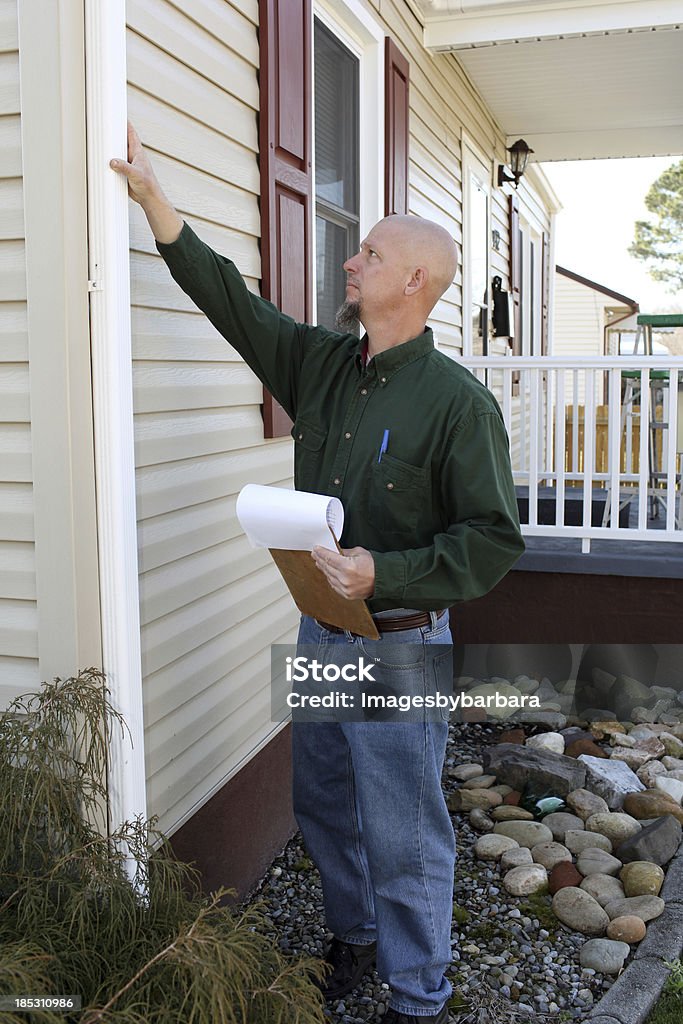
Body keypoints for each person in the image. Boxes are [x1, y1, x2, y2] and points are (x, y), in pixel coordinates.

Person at [111, 123, 525, 1024]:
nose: (350, 262)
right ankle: (355, 938)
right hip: (319, 628)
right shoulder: (324, 365)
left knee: (403, 827)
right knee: (323, 798)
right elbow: (233, 304)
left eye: (368, 253)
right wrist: (155, 203)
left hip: (400, 643)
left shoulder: (457, 404)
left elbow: (492, 539)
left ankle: (418, 999)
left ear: (412, 281)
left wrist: (390, 569)